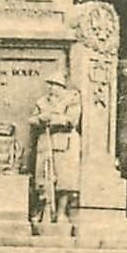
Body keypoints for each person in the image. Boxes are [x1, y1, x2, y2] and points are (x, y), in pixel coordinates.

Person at [30, 74, 82, 224]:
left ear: (61, 87)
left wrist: (51, 119)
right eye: (50, 85)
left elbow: (71, 120)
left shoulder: (71, 99)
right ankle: (45, 211)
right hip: (46, 143)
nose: (51, 88)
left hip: (65, 144)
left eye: (54, 85)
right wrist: (40, 119)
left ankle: (61, 212)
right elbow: (33, 118)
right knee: (44, 178)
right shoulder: (42, 101)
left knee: (64, 180)